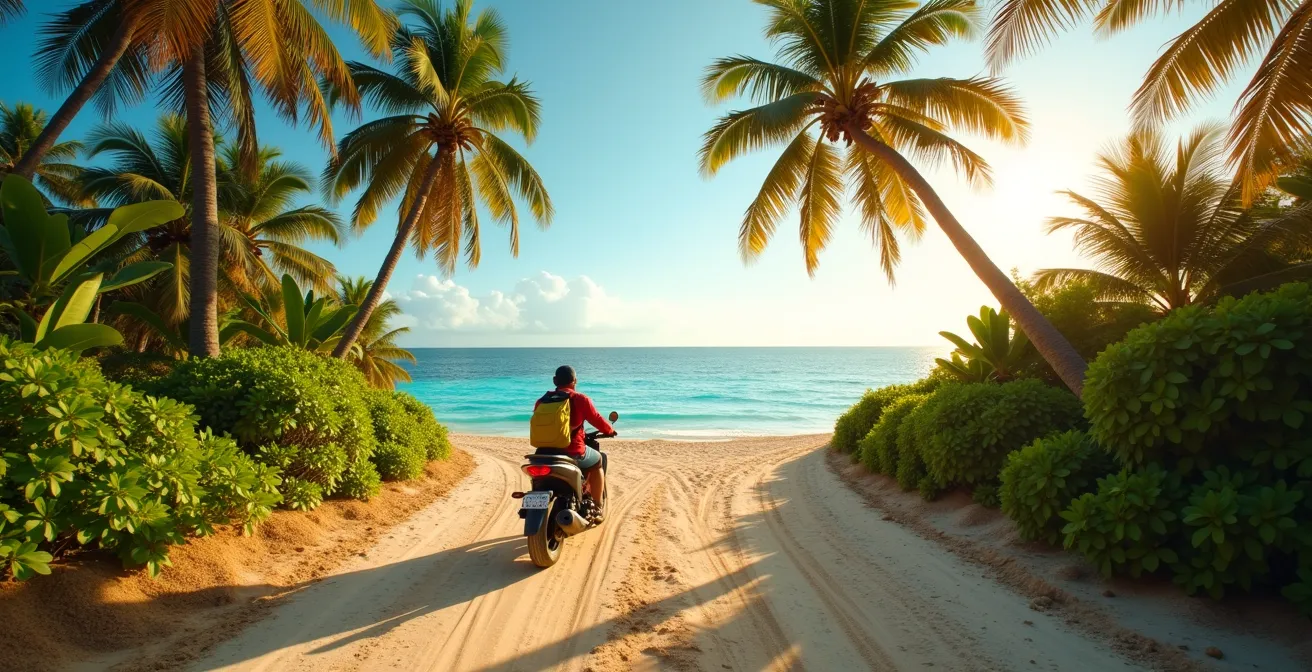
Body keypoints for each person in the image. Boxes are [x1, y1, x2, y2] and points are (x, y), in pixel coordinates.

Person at [535, 365, 615, 521]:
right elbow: (596, 419)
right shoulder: (580, 399)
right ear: (575, 381)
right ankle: (597, 506)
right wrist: (610, 431)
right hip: (572, 451)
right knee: (598, 460)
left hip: (543, 452)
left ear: (554, 381)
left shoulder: (542, 401)